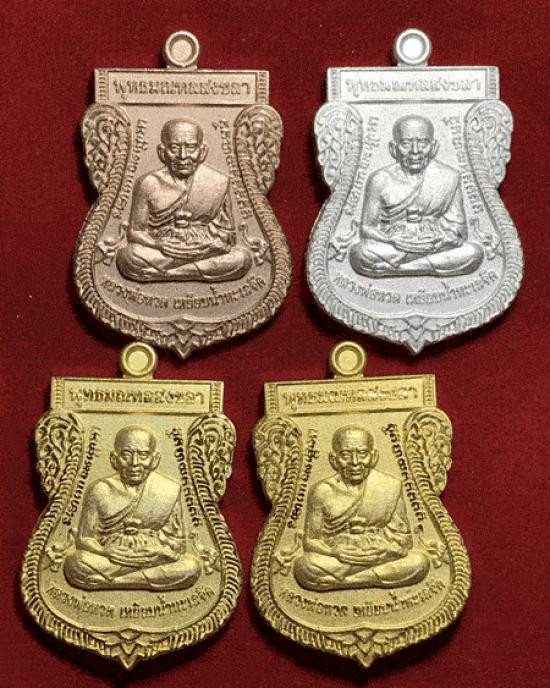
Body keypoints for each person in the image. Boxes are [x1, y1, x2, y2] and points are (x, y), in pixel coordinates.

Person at [64, 425, 200, 590]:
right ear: (114, 459)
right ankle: (142, 580)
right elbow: (85, 539)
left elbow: (179, 543)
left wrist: (156, 552)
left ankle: (115, 582)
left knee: (191, 567)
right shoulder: (100, 490)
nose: (134, 463)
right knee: (75, 562)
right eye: (126, 455)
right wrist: (105, 552)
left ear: (155, 460)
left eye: (143, 455)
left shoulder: (167, 490)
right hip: (112, 559)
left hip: (152, 559)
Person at [294, 426, 429, 591]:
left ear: (374, 457)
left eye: (363, 453)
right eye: (346, 455)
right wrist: (334, 552)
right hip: (341, 559)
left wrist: (386, 549)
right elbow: (311, 541)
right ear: (333, 459)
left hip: (378, 556)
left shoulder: (389, 486)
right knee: (304, 566)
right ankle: (373, 578)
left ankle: (347, 582)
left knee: (419, 562)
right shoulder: (322, 491)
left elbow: (405, 539)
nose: (355, 462)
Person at [116, 118, 251, 282]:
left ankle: (169, 274)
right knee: (128, 256)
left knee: (241, 258)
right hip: (164, 251)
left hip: (203, 250)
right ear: (162, 152)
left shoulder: (217, 182)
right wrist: (159, 245)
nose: (183, 156)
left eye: (191, 147)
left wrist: (207, 245)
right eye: (174, 147)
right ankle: (193, 271)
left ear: (202, 152)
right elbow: (135, 232)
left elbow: (229, 235)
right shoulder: (148, 183)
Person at [349, 114, 483, 277]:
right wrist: (392, 241)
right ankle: (426, 266)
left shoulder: (449, 177)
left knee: (473, 253)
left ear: (434, 147)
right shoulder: (380, 179)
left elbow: (459, 230)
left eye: (423, 142)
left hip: (433, 245)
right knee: (359, 253)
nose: (415, 151)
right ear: (394, 148)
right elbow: (367, 228)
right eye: (406, 143)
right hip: (394, 245)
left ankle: (402, 269)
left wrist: (441, 241)